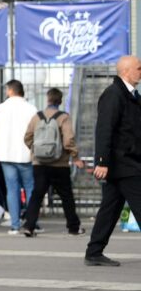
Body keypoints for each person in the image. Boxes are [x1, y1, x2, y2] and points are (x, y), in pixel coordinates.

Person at [85, 56, 141, 266]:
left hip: (128, 162)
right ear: (126, 71)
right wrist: (101, 161)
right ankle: (94, 251)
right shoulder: (113, 94)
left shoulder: (131, 95)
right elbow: (104, 129)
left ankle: (94, 252)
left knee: (110, 209)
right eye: (139, 68)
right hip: (124, 164)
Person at [22, 88, 85, 238]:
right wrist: (75, 157)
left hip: (39, 163)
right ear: (60, 101)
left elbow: (27, 137)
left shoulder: (37, 117)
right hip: (59, 164)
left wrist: (35, 150)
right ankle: (73, 227)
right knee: (66, 196)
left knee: (37, 194)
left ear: (48, 99)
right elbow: (68, 139)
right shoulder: (63, 117)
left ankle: (29, 226)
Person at [0, 79, 38, 235]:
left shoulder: (0, 109)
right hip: (26, 154)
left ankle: (15, 225)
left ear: (10, 91)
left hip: (6, 154)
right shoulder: (31, 108)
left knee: (12, 189)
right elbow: (36, 132)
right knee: (30, 188)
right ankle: (31, 223)